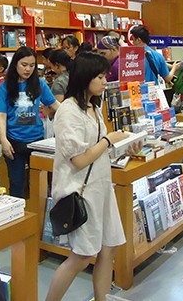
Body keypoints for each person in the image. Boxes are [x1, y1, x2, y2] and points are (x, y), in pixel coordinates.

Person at [46, 52, 140, 301]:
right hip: (81, 191)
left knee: (109, 248)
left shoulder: (93, 107)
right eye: (100, 77)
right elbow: (79, 159)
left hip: (101, 188)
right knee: (82, 256)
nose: (105, 81)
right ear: (85, 77)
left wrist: (126, 146)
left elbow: (99, 149)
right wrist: (109, 140)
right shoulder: (68, 111)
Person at [0, 46, 60, 198]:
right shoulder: (4, 87)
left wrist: (73, 116)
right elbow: (1, 114)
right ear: (15, 64)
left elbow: (55, 104)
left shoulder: (39, 84)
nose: (28, 69)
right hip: (14, 141)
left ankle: (39, 212)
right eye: (24, 65)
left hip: (36, 141)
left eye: (32, 65)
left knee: (41, 184)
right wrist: (3, 139)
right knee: (16, 184)